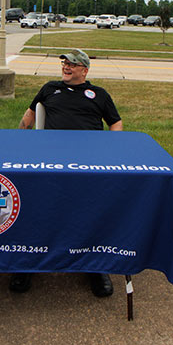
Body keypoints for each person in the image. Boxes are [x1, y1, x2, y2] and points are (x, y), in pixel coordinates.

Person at [14, 49, 122, 297]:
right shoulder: (49, 88)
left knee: (90, 211)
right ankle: (28, 260)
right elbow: (29, 115)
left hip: (88, 161)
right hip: (50, 160)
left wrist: (115, 147)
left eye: (72, 63)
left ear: (85, 70)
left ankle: (94, 265)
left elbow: (115, 122)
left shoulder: (99, 95)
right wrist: (18, 141)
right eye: (64, 62)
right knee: (37, 208)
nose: (66, 66)